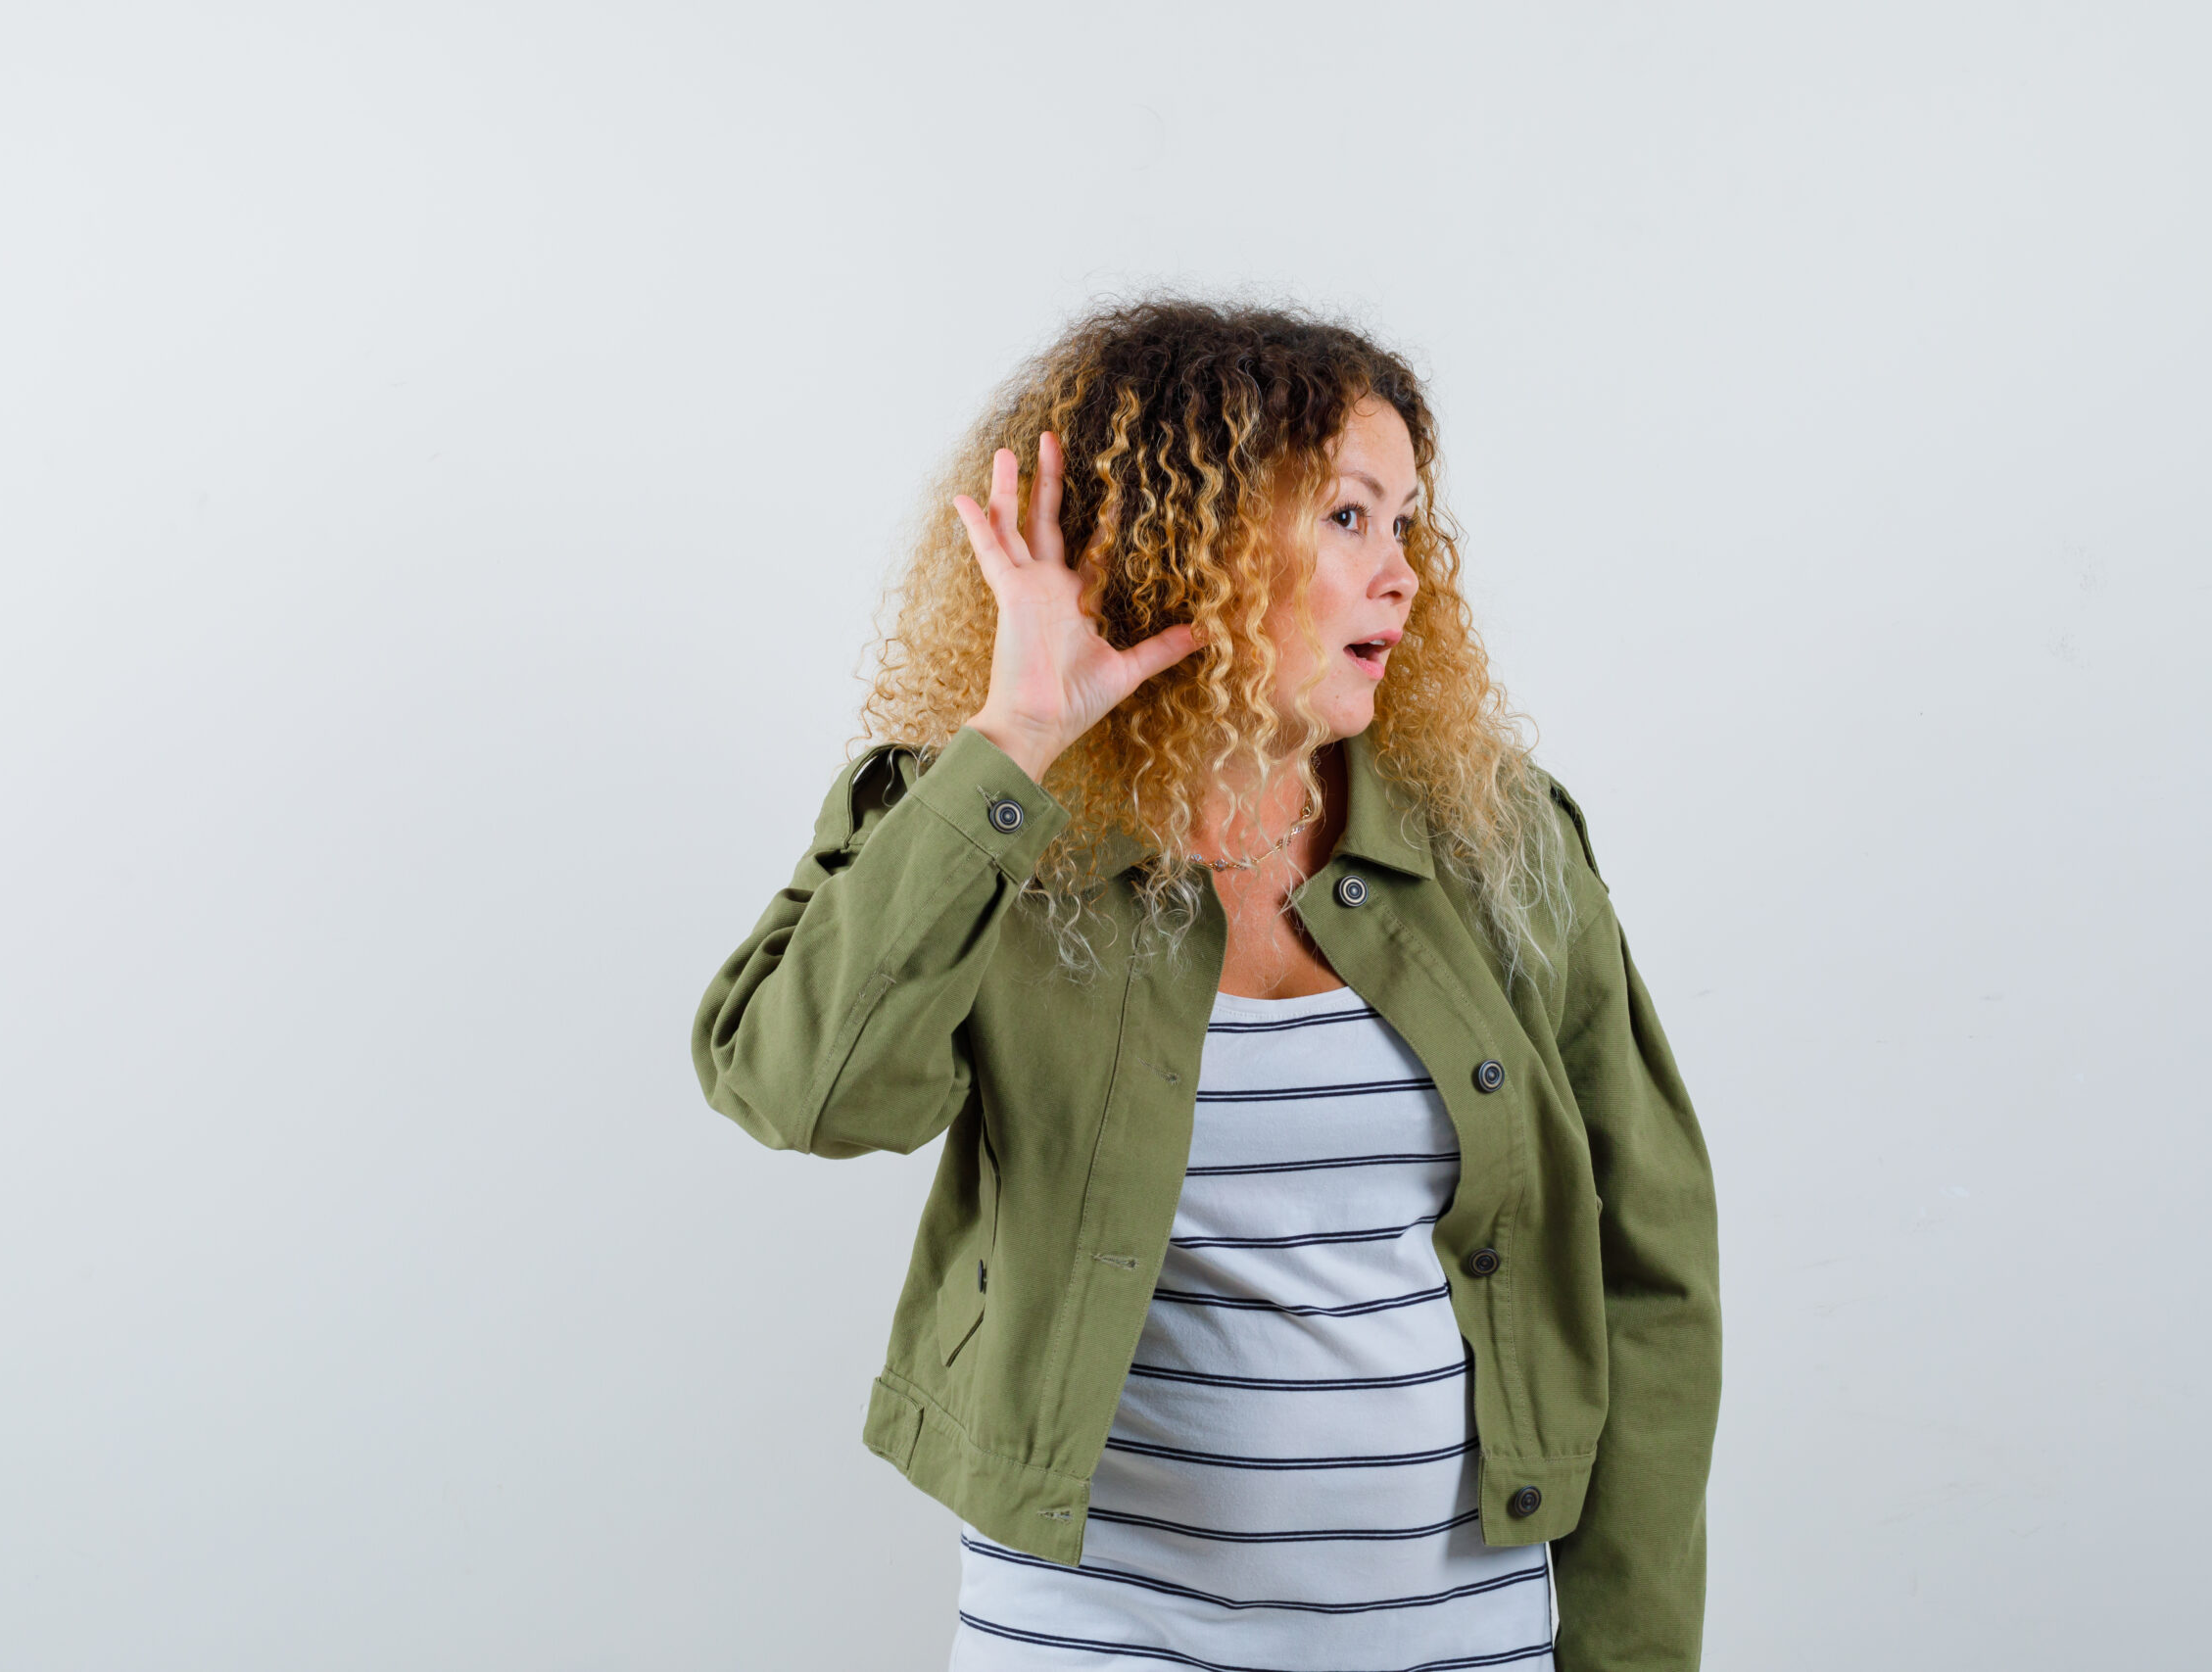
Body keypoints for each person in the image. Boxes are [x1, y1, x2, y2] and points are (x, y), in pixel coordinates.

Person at [693, 300, 1720, 1672]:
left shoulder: (1499, 844)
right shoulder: (982, 829)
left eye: (1408, 521)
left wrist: (1629, 1654)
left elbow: (1650, 1266)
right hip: (1097, 1628)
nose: (1404, 574)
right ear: (1197, 541)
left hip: (1458, 1632)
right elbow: (800, 1090)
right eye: (1348, 517)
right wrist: (1014, 743)